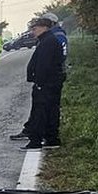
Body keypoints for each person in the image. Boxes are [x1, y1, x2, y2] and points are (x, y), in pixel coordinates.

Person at [19, 16, 65, 151]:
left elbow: (43, 65)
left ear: (44, 27)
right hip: (50, 82)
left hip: (46, 84)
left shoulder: (48, 42)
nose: (33, 31)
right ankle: (51, 139)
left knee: (41, 112)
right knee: (50, 110)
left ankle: (36, 141)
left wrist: (39, 82)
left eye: (35, 28)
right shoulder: (47, 40)